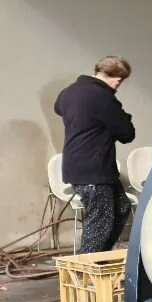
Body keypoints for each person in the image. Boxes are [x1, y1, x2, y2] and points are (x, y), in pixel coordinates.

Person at [54, 56, 136, 252]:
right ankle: (88, 266)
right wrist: (124, 117)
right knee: (100, 222)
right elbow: (127, 133)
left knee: (121, 207)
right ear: (118, 79)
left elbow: (58, 108)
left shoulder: (69, 92)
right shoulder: (103, 97)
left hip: (78, 165)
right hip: (94, 168)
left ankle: (99, 258)